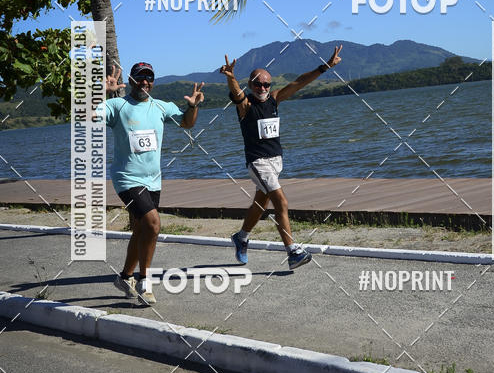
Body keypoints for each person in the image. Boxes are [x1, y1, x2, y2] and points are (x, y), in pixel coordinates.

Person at [220, 45, 342, 270]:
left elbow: (299, 82)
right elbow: (237, 95)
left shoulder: (274, 99)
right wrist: (231, 77)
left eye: (267, 84)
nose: (263, 87)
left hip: (276, 162)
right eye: (258, 83)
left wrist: (325, 67)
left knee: (261, 202)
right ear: (251, 85)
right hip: (258, 162)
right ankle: (292, 251)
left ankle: (241, 237)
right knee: (281, 201)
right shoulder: (246, 105)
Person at [100, 62, 204, 304]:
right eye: (139, 78)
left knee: (141, 229)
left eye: (149, 78)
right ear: (132, 80)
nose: (145, 82)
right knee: (153, 224)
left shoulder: (161, 107)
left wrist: (193, 106)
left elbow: (187, 123)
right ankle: (145, 282)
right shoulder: (117, 105)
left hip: (153, 180)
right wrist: (102, 93)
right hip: (126, 179)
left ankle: (125, 277)